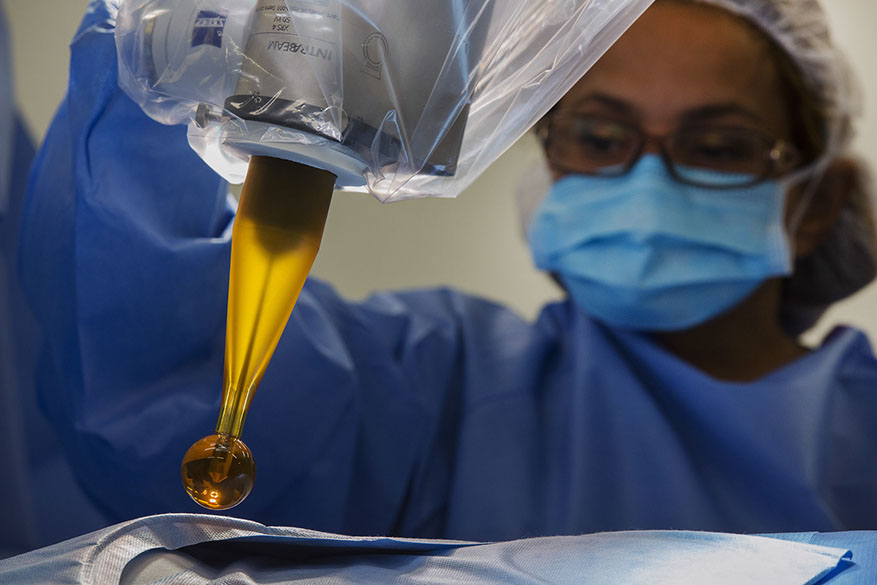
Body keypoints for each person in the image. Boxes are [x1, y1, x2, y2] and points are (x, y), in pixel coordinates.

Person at [15, 0, 877, 547]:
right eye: (600, 135)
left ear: (817, 200)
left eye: (718, 147)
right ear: (548, 157)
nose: (646, 183)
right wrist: (158, 60)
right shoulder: (446, 385)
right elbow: (153, 388)